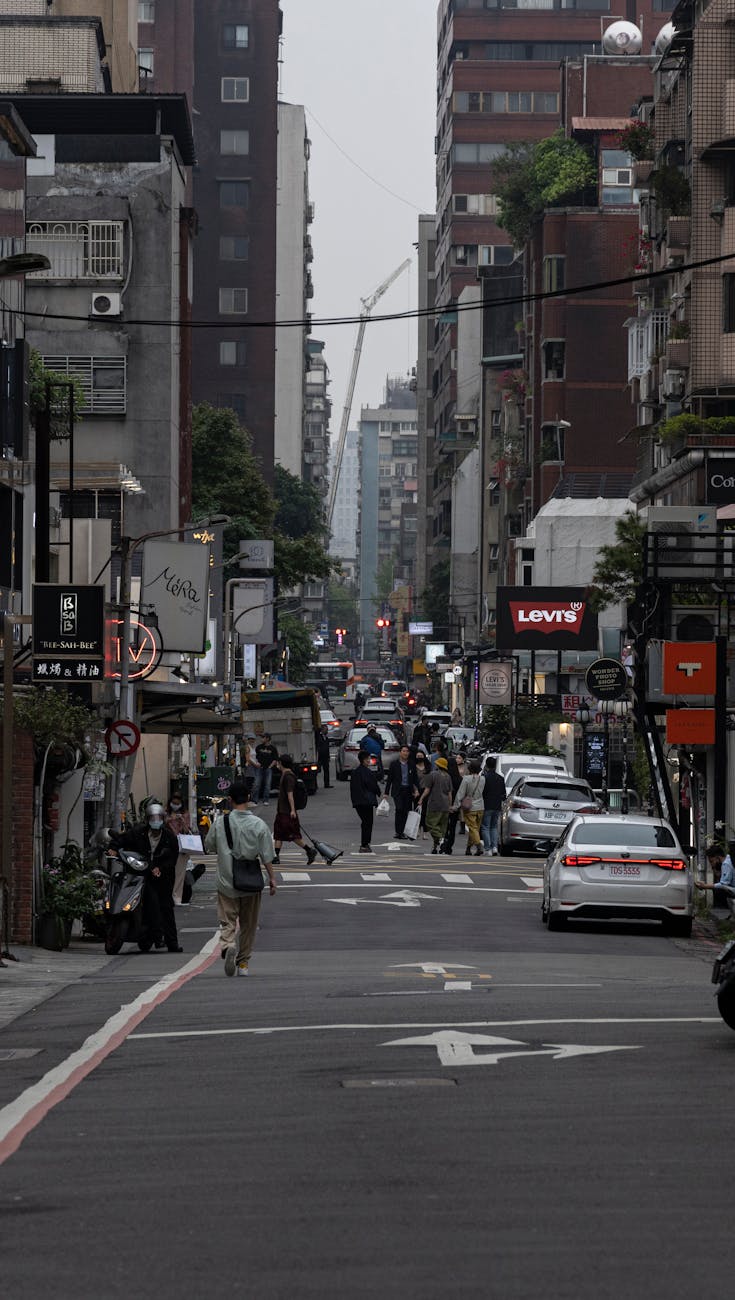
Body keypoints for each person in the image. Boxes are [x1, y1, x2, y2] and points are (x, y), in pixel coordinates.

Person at [205, 780, 276, 977]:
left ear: (229, 800)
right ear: (249, 799)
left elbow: (209, 845)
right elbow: (267, 855)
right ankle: (243, 963)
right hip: (251, 881)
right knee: (249, 924)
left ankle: (228, 945)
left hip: (226, 879)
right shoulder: (258, 824)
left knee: (227, 919)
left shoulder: (221, 823)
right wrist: (272, 878)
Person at [115, 801, 182, 952]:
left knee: (166, 908)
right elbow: (123, 840)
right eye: (152, 818)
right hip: (142, 874)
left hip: (163, 877)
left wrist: (160, 868)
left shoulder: (169, 837)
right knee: (151, 904)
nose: (156, 821)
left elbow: (172, 858)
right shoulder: (138, 832)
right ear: (147, 819)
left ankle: (172, 943)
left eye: (158, 818)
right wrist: (114, 848)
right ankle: (156, 937)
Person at [272, 754, 317, 867]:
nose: (277, 764)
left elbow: (290, 794)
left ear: (281, 763)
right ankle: (276, 857)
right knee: (278, 833)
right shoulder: (285, 774)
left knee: (292, 834)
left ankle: (309, 850)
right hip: (282, 810)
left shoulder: (288, 776)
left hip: (287, 811)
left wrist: (292, 810)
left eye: (278, 762)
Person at [418, 755, 453, 853]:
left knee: (430, 824)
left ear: (438, 765)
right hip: (445, 805)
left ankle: (441, 841)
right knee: (442, 827)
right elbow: (450, 793)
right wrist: (450, 805)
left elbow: (427, 789)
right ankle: (435, 847)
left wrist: (421, 799)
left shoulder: (432, 775)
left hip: (434, 804)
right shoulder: (448, 776)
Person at [384, 744, 420, 839]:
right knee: (399, 809)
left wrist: (417, 790)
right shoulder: (394, 764)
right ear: (400, 752)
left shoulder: (411, 764)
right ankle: (398, 831)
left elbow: (415, 779)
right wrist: (386, 793)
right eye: (403, 751)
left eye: (407, 751)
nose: (405, 753)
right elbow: (390, 779)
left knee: (406, 811)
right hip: (398, 790)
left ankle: (404, 831)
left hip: (408, 790)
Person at [452, 759, 486, 857]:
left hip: (470, 807)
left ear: (470, 769)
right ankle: (468, 848)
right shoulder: (483, 779)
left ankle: (479, 845)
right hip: (480, 806)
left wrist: (455, 806)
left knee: (473, 828)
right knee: (475, 829)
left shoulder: (466, 779)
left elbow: (460, 793)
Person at [350, 749, 381, 853]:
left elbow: (353, 788)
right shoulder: (368, 772)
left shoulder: (355, 772)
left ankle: (364, 844)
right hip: (367, 802)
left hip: (358, 802)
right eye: (368, 759)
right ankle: (365, 844)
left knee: (365, 822)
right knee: (368, 822)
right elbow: (373, 786)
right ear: (363, 760)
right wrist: (378, 792)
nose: (369, 761)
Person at [165, 794, 192, 905]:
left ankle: (177, 897)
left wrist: (182, 820)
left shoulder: (185, 814)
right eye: (173, 803)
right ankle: (167, 896)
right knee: (167, 872)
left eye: (177, 804)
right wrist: (171, 819)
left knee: (179, 874)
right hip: (168, 845)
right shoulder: (165, 813)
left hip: (181, 846)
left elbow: (187, 830)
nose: (175, 806)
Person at [480, 757, 506, 856]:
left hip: (486, 805)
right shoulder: (500, 778)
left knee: (485, 827)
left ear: (486, 765)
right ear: (495, 765)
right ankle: (495, 847)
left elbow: (482, 792)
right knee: (494, 827)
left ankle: (488, 848)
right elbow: (503, 794)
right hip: (497, 805)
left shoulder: (485, 778)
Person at [253, 732, 279, 805]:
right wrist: (257, 763)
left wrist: (270, 766)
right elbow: (255, 757)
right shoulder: (258, 747)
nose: (261, 739)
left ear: (267, 739)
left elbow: (275, 759)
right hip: (259, 768)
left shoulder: (273, 748)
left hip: (268, 769)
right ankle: (255, 800)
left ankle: (265, 800)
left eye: (263, 737)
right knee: (257, 784)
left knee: (267, 785)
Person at [413, 749, 431, 836]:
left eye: (421, 756)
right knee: (417, 811)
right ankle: (417, 829)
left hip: (427, 790)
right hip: (416, 791)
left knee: (425, 812)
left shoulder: (428, 766)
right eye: (418, 756)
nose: (419, 758)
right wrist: (415, 790)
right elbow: (411, 780)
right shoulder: (413, 767)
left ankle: (425, 831)